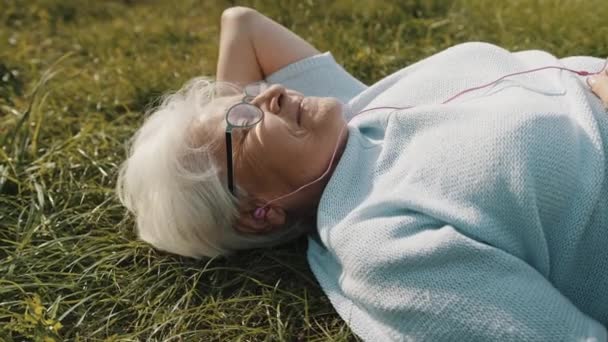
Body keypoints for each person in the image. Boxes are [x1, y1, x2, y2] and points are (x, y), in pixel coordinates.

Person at [116, 6, 608, 341]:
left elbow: (241, 23)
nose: (271, 94)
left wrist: (234, 114)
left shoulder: (354, 112)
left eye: (247, 95)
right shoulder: (381, 240)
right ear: (257, 215)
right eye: (242, 124)